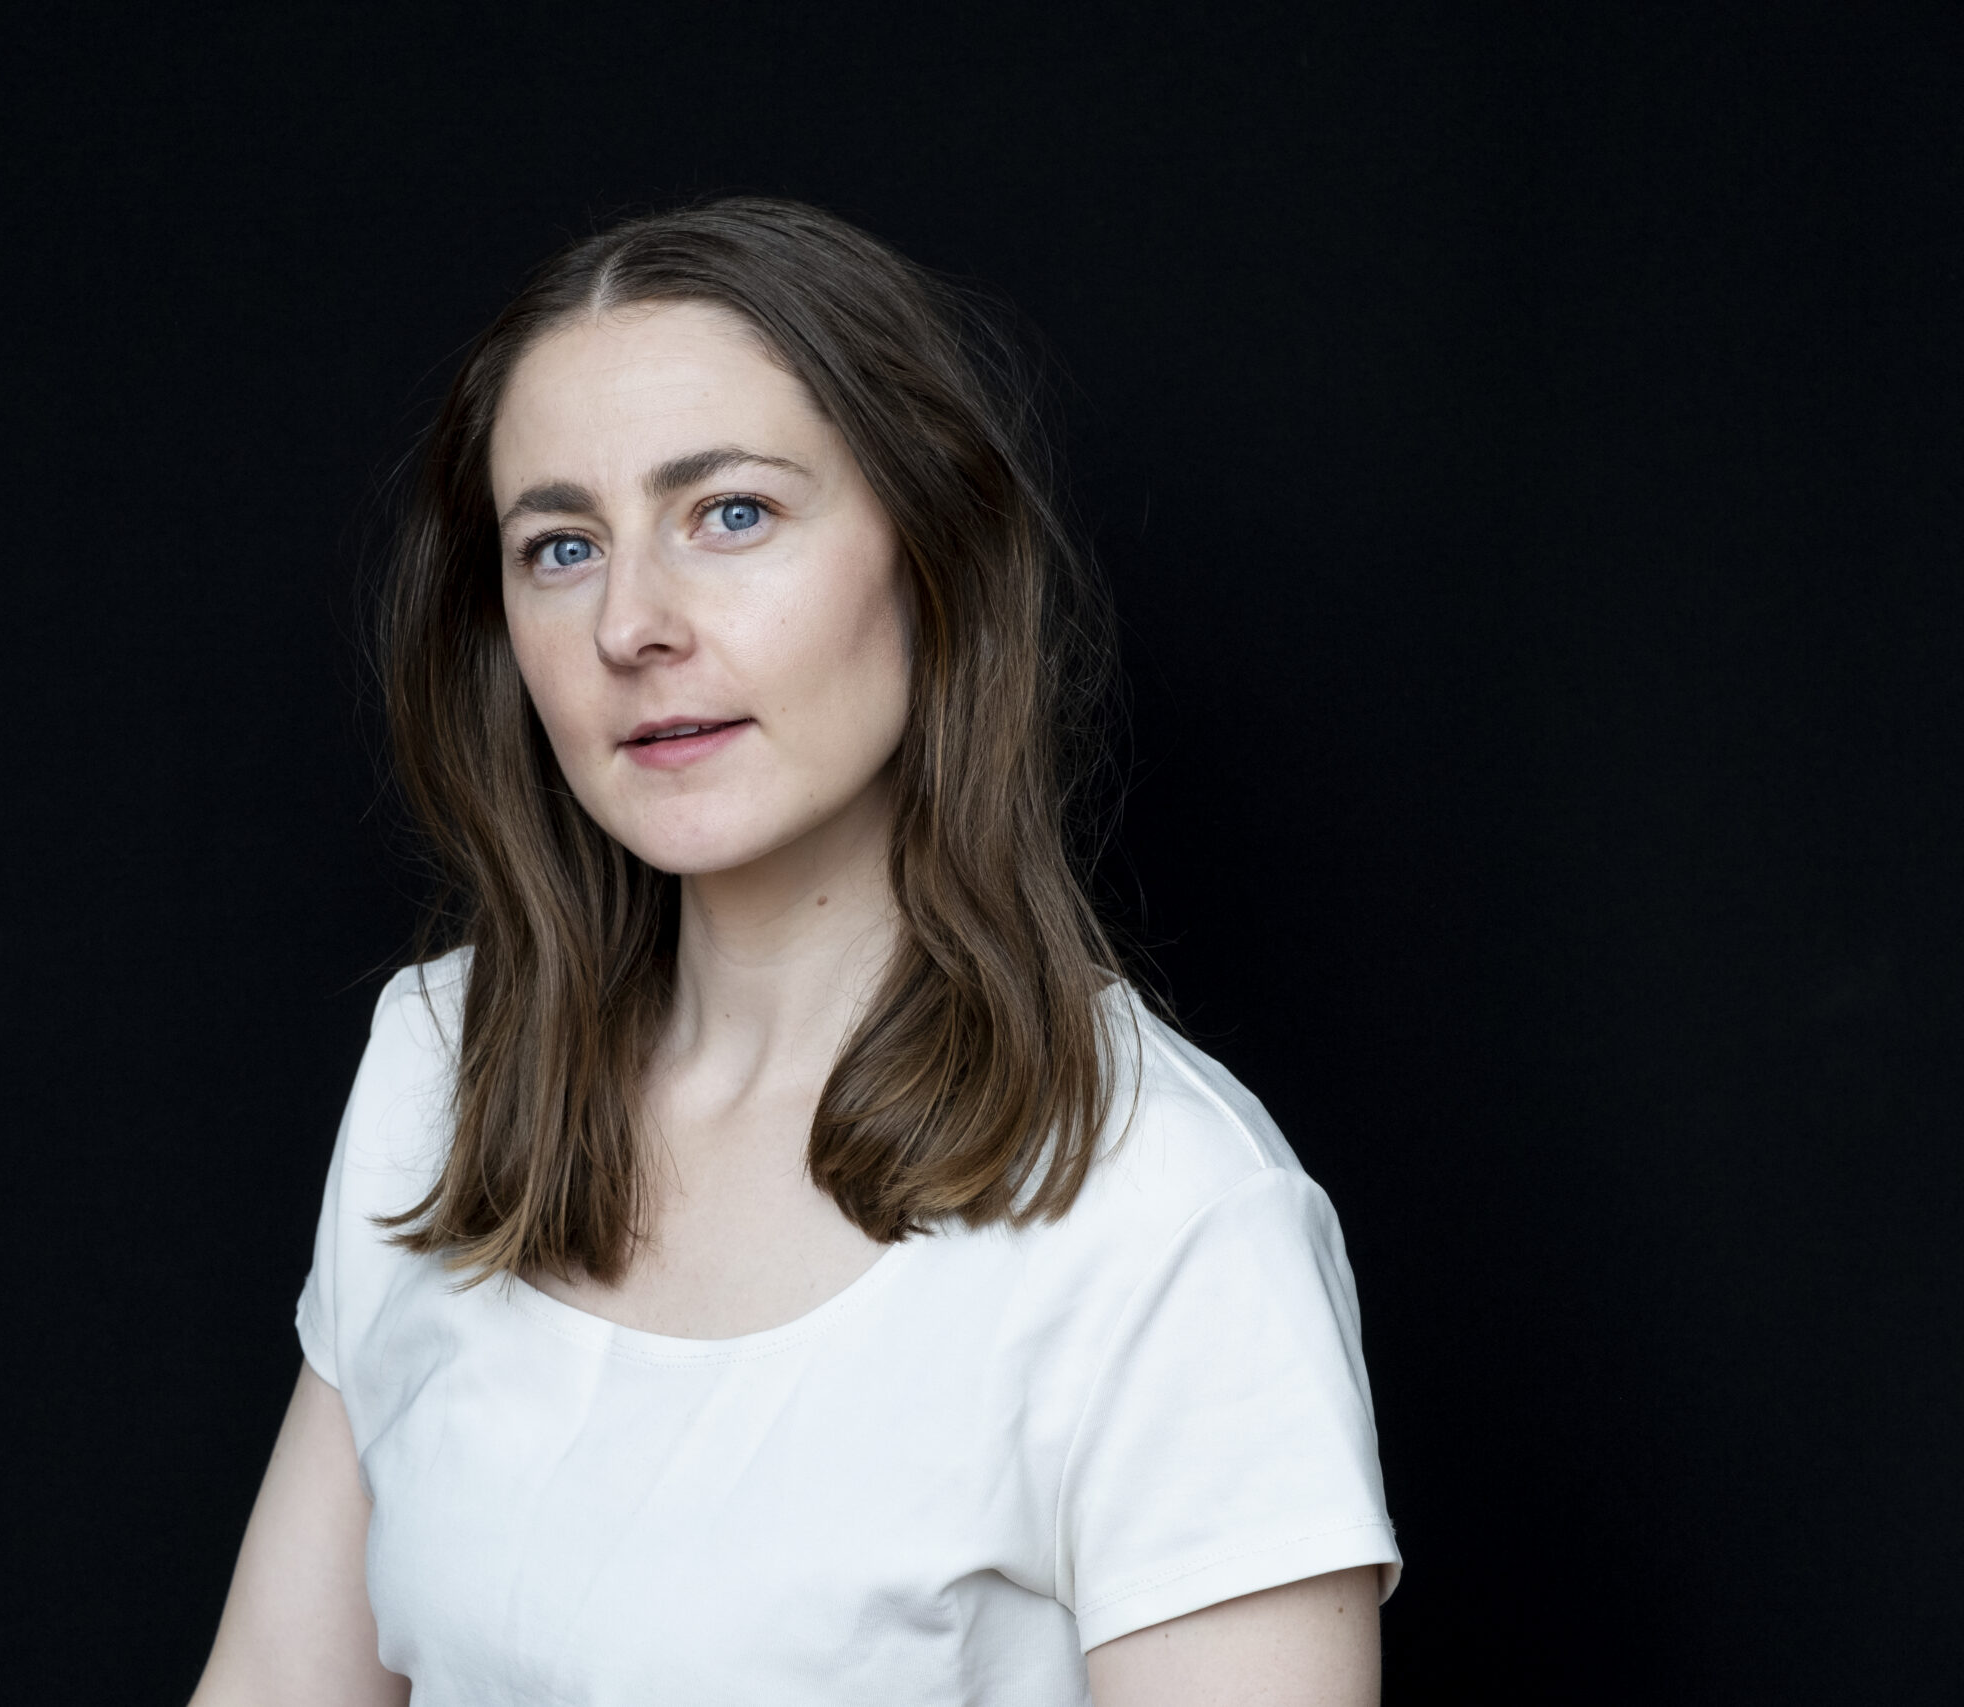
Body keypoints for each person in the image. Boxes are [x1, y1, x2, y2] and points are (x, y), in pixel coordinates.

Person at [189, 197, 1398, 1706]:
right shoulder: (443, 1066)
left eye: (732, 515)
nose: (632, 623)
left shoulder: (1166, 1211)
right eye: (560, 547)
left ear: (934, 555)